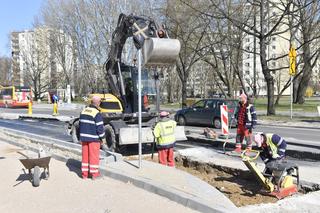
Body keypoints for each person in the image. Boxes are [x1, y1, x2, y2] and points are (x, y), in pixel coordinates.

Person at [79, 95, 105, 179]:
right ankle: (94, 174)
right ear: (98, 103)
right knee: (94, 156)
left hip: (84, 138)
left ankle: (84, 174)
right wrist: (103, 138)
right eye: (100, 102)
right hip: (93, 138)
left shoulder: (84, 111)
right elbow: (100, 128)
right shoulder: (97, 113)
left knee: (85, 156)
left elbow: (80, 124)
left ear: (91, 102)